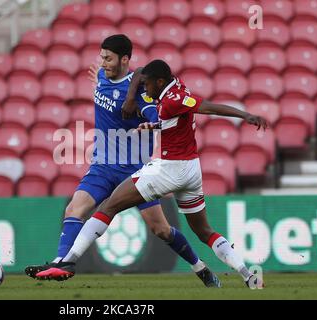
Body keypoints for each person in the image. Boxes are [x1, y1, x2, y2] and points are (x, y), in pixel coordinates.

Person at [36, 59, 268, 289]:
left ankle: (69, 261)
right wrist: (149, 122)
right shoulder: (173, 85)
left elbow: (207, 106)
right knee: (204, 231)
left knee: (109, 207)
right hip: (192, 171)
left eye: (147, 85)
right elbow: (147, 84)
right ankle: (248, 276)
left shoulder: (173, 101)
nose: (144, 90)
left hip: (170, 169)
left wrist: (244, 115)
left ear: (159, 82)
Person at [26, 35, 221, 287]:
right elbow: (109, 79)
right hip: (102, 166)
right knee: (74, 209)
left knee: (160, 230)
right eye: (102, 57)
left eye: (108, 58)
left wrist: (150, 122)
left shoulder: (141, 92)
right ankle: (60, 263)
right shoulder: (101, 78)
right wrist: (102, 75)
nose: (103, 62)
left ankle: (200, 268)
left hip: (134, 171)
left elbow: (153, 112)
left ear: (125, 59)